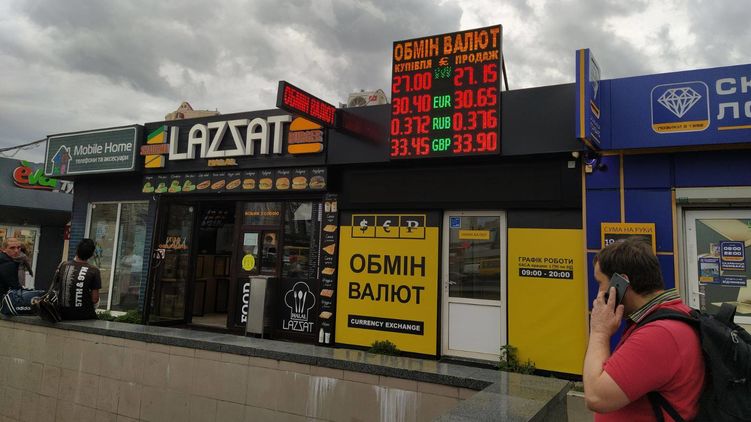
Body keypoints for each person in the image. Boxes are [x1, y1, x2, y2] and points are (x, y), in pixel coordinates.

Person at [583, 237, 705, 420]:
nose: (599, 293)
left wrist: (599, 332)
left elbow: (596, 397)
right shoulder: (665, 318)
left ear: (620, 284)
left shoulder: (659, 334)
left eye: (600, 283)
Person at [54, 238, 102, 320]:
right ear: (91, 254)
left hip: (62, 313)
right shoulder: (94, 270)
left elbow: (56, 286)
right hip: (84, 315)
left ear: (77, 251)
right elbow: (95, 299)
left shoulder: (63, 265)